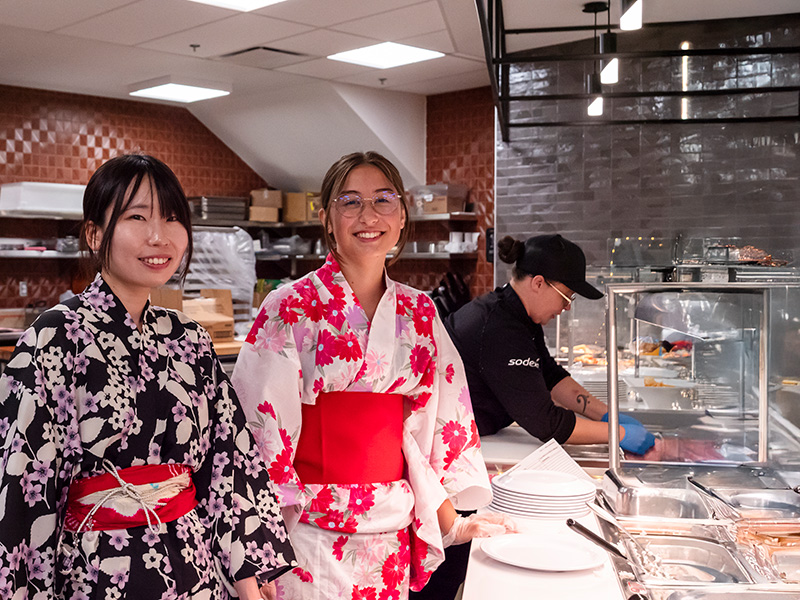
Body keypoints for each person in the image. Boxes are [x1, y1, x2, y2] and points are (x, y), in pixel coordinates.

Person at [0, 154, 295, 599]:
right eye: (137, 216)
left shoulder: (190, 340)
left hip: (192, 564)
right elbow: (24, 482)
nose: (159, 236)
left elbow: (229, 461)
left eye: (173, 218)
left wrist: (247, 567)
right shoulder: (54, 338)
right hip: (96, 571)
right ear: (94, 234)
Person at [232, 151, 514, 600]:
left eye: (384, 200)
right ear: (326, 218)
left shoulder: (421, 312)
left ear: (402, 216)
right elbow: (256, 436)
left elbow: (432, 429)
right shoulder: (288, 307)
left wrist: (452, 521)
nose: (369, 215)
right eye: (350, 201)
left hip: (390, 532)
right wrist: (254, 556)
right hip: (306, 534)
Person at [446, 234, 656, 453]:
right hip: (455, 445)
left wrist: (607, 415)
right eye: (566, 296)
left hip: (478, 435)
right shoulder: (499, 328)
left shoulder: (518, 315)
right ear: (538, 283)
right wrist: (617, 434)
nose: (567, 307)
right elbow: (546, 422)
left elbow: (551, 376)